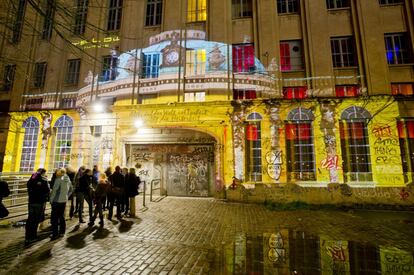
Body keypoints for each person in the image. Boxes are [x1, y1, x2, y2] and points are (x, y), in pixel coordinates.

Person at [25, 168, 50, 245]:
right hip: (39, 202)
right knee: (35, 220)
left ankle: (27, 236)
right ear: (43, 173)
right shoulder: (44, 180)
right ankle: (33, 236)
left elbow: (28, 187)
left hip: (31, 201)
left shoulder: (31, 179)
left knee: (30, 219)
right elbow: (47, 190)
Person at [49, 168, 73, 240]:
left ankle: (55, 233)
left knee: (54, 218)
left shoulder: (59, 179)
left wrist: (51, 200)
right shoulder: (68, 179)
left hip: (56, 201)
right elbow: (71, 189)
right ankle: (62, 232)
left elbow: (54, 191)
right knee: (61, 216)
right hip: (63, 201)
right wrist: (66, 196)